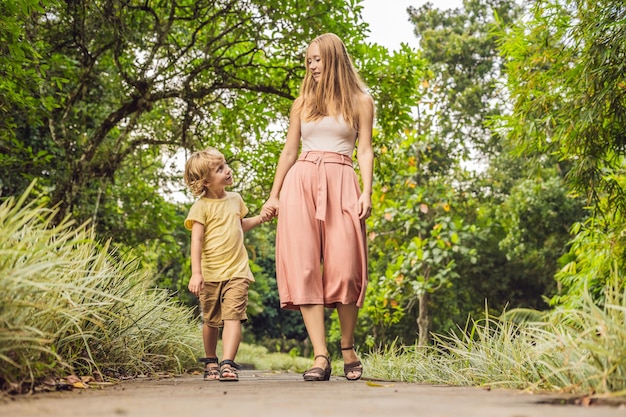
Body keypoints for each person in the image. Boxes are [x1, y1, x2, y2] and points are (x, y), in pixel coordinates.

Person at [262, 33, 374, 381]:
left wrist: (367, 191)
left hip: (342, 180)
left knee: (345, 269)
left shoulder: (361, 100)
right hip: (301, 182)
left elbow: (365, 150)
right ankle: (320, 355)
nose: (311, 66)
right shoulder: (302, 103)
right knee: (305, 267)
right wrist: (274, 194)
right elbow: (288, 151)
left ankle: (347, 346)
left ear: (334, 59)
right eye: (308, 60)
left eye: (317, 59)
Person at [184, 148, 272, 382]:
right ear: (205, 181)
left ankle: (227, 363)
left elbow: (239, 226)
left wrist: (261, 218)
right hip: (211, 273)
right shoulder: (200, 207)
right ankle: (211, 360)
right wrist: (196, 273)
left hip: (237, 271)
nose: (228, 170)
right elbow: (197, 240)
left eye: (226, 165)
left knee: (233, 316)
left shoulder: (236, 200)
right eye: (220, 169)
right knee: (211, 321)